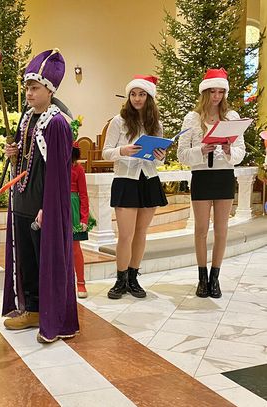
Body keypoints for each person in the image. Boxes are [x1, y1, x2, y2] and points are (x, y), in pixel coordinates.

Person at [2, 49, 79, 344]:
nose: (29, 93)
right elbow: (26, 159)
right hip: (23, 201)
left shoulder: (57, 123)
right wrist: (13, 153)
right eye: (27, 87)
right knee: (28, 262)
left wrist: (48, 207)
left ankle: (54, 319)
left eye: (34, 87)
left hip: (42, 206)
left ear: (50, 89)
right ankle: (33, 310)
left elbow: (58, 172)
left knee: (47, 262)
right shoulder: (27, 119)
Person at [177, 68, 245, 298]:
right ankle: (202, 278)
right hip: (202, 176)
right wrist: (201, 150)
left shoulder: (232, 117)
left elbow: (240, 151)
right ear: (205, 92)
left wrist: (228, 150)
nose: (216, 96)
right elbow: (181, 154)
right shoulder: (192, 118)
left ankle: (215, 278)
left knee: (222, 229)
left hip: (224, 175)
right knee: (201, 229)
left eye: (220, 92)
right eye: (212, 91)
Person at [102, 75, 168, 300]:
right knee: (125, 235)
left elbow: (158, 160)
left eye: (141, 94)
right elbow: (106, 152)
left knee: (141, 233)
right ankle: (120, 280)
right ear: (128, 96)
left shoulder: (156, 124)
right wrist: (123, 150)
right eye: (133, 94)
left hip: (149, 180)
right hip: (126, 180)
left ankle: (133, 278)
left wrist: (160, 155)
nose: (137, 98)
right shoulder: (118, 121)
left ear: (149, 97)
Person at [71, 141, 89, 298]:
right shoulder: (54, 167)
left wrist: (84, 218)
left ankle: (81, 283)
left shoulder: (79, 169)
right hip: (57, 206)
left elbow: (83, 195)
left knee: (75, 248)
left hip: (73, 209)